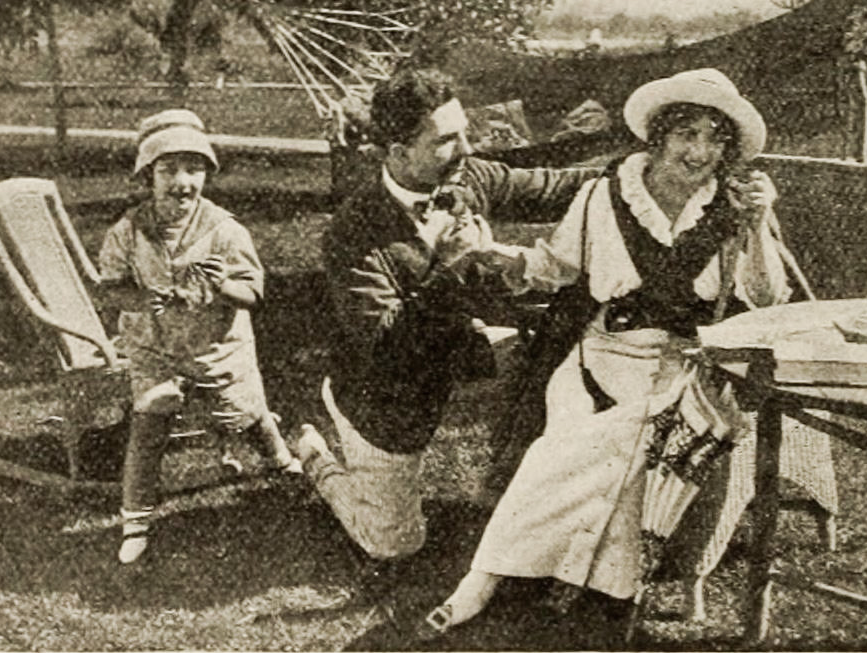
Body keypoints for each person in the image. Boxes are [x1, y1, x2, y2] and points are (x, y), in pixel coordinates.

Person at [416, 68, 792, 638]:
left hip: (683, 371)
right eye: (687, 134)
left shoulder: (734, 210)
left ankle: (573, 581)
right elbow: (554, 267)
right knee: (568, 443)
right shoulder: (603, 195)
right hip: (601, 359)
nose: (699, 151)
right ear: (659, 136)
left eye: (715, 138)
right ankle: (486, 582)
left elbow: (766, 297)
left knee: (626, 442)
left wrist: (760, 223)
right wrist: (491, 252)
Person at [295, 67, 600, 567]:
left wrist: (648, 167)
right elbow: (387, 345)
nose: (466, 148)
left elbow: (556, 186)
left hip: (466, 349)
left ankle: (516, 481)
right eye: (446, 140)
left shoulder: (468, 174)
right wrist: (455, 267)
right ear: (398, 153)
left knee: (562, 359)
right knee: (392, 544)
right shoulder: (353, 231)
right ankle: (317, 458)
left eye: (464, 132)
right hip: (385, 391)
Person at [98, 109, 301, 565]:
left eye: (194, 170)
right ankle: (135, 521)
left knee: (246, 411)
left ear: (207, 174)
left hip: (217, 346)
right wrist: (140, 296)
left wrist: (220, 286)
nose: (182, 183)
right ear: (147, 176)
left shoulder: (225, 230)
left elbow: (253, 292)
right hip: (154, 348)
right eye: (168, 170)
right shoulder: (128, 231)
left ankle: (280, 458)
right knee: (149, 418)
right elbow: (109, 287)